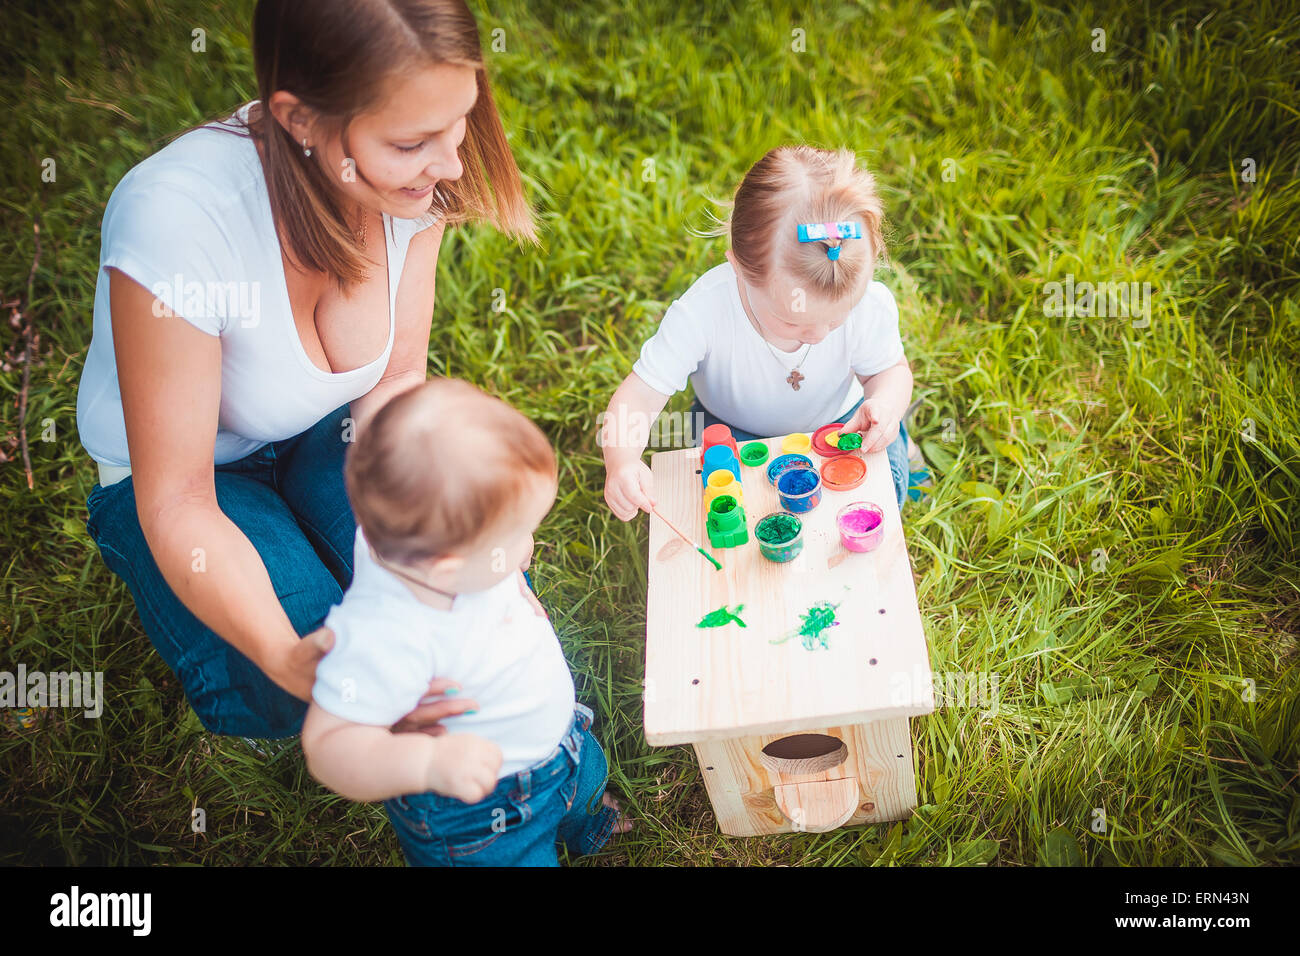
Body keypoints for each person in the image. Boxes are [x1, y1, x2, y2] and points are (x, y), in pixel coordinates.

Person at [77, 0, 535, 741]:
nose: (452, 166)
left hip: (333, 425)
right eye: (415, 141)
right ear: (297, 119)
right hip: (187, 478)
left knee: (468, 589)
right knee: (325, 669)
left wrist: (459, 535)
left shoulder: (414, 180)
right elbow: (182, 502)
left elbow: (392, 387)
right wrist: (288, 658)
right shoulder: (177, 222)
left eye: (459, 125)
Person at [302, 379, 630, 866]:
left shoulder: (413, 540)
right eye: (519, 535)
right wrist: (427, 763)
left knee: (585, 784)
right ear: (448, 569)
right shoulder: (386, 634)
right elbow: (327, 745)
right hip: (482, 814)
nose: (530, 545)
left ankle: (586, 820)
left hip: (561, 741)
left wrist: (506, 575)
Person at [601, 145, 930, 522]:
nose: (818, 335)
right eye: (793, 322)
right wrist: (622, 460)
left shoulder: (869, 304)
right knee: (734, 507)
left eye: (838, 319)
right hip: (736, 431)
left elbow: (890, 371)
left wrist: (886, 404)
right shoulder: (703, 312)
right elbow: (637, 397)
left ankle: (901, 440)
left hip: (843, 422)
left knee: (886, 489)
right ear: (739, 268)